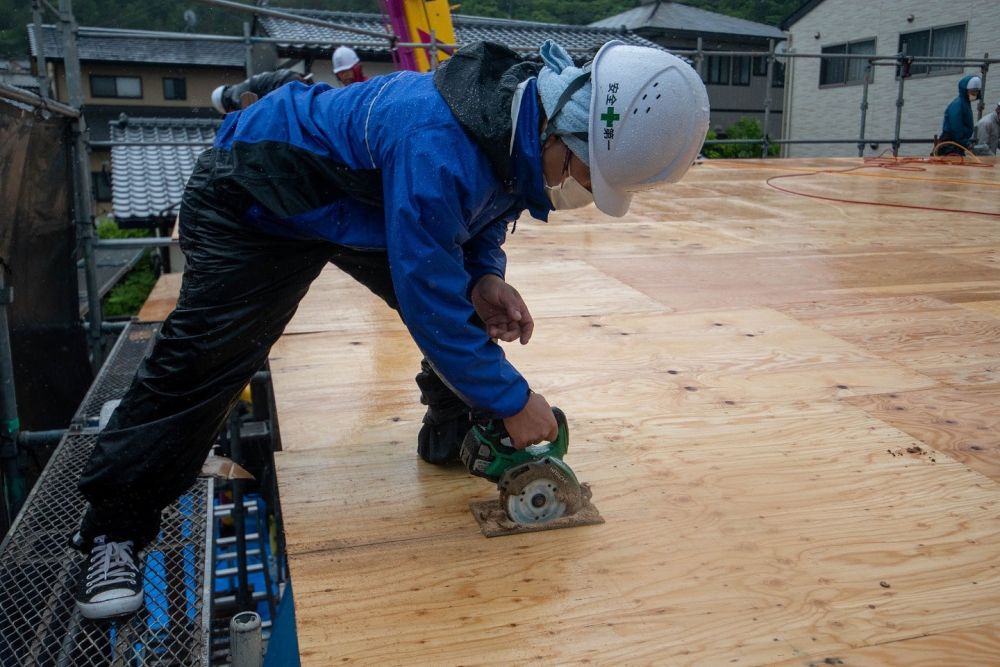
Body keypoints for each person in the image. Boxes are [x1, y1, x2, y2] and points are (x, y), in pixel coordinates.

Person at [70, 39, 709, 620]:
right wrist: (514, 400)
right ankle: (113, 531)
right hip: (259, 193)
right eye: (573, 170)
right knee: (208, 358)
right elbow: (428, 292)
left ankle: (456, 432)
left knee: (468, 307)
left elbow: (487, 209)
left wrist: (486, 276)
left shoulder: (519, 115)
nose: (566, 183)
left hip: (363, 197)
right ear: (566, 128)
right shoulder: (440, 140)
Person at [210, 69, 312, 114]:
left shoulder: (237, 96)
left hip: (283, 83)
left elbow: (252, 114)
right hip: (289, 78)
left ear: (226, 103)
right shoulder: (241, 88)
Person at [938, 74, 982, 155]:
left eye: (976, 91)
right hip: (951, 145)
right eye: (973, 91)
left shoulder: (965, 103)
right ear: (965, 90)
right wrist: (966, 143)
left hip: (956, 144)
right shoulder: (958, 105)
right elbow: (956, 128)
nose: (975, 94)